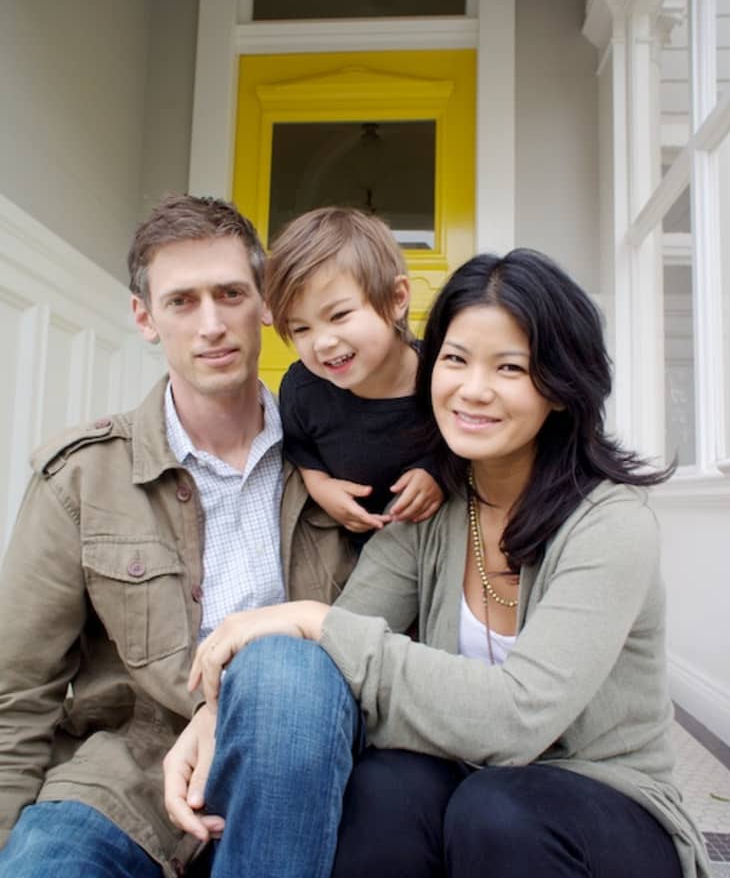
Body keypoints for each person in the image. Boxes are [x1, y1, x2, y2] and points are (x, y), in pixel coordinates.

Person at [165, 248, 711, 878]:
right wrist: (216, 717)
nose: (472, 390)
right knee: (380, 790)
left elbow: (516, 720)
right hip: (469, 781)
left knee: (496, 810)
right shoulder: (436, 510)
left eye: (510, 367)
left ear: (559, 387)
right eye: (454, 359)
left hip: (609, 802)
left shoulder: (610, 523)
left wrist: (314, 618)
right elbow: (336, 666)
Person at [0, 194, 353, 878]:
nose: (213, 324)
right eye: (182, 301)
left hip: (293, 766)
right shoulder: (81, 477)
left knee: (289, 666)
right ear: (144, 317)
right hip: (122, 780)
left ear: (267, 305)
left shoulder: (342, 469)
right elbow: (16, 695)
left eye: (231, 294)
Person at [265, 206, 443, 546]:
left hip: (435, 544)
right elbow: (302, 451)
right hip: (348, 552)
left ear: (396, 299)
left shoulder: (441, 375)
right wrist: (321, 488)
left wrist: (438, 475)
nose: (323, 342)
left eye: (339, 315)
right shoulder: (303, 390)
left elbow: (470, 446)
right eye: (301, 328)